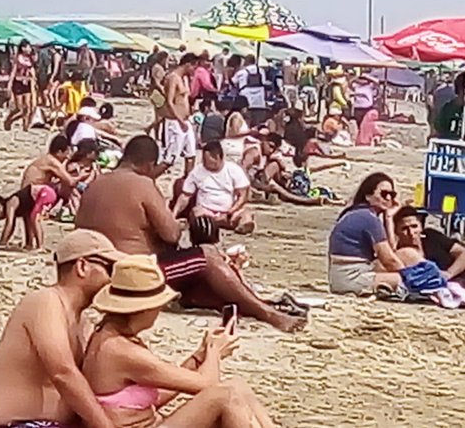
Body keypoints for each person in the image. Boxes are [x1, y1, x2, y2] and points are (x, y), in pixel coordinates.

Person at [76, 135, 305, 332]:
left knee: (197, 283)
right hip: (133, 271)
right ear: (148, 164)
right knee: (206, 256)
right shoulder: (142, 184)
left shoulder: (95, 185)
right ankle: (269, 314)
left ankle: (255, 305)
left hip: (100, 270)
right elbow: (171, 235)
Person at [80, 255, 276, 428]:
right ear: (146, 309)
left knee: (238, 386)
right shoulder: (122, 351)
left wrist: (199, 356)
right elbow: (208, 384)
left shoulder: (110, 335)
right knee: (227, 394)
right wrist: (214, 350)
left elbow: (162, 391)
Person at [0, 230, 123, 428]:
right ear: (82, 266)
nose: (112, 280)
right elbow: (62, 372)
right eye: (110, 269)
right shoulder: (45, 301)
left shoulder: (82, 320)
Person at [0, 135, 78, 249]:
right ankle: (31, 244)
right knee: (31, 217)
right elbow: (69, 181)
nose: (67, 157)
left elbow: (10, 224)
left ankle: (35, 245)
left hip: (34, 192)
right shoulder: (51, 161)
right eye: (66, 153)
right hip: (34, 192)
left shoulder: (48, 161)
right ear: (59, 152)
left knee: (32, 217)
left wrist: (2, 242)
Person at [326, 172, 405, 295]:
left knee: (405, 256)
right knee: (403, 281)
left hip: (344, 275)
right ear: (368, 196)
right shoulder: (368, 218)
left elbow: (392, 250)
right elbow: (389, 260)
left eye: (392, 194)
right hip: (351, 278)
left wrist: (389, 218)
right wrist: (411, 276)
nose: (388, 198)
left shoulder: (358, 213)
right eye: (384, 194)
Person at [174, 141, 255, 234]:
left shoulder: (233, 169)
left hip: (229, 212)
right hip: (206, 211)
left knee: (245, 214)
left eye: (206, 160)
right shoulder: (198, 171)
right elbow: (185, 196)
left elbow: (243, 195)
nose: (203, 162)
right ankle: (210, 223)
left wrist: (231, 210)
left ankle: (242, 225)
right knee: (196, 212)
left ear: (217, 158)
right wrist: (174, 214)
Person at [163, 54, 198, 173]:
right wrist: (179, 120)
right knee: (170, 157)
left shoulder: (184, 79)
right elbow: (169, 101)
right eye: (194, 67)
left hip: (185, 120)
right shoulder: (173, 78)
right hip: (175, 121)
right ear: (188, 64)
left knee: (191, 154)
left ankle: (188, 182)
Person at [5, 40, 38, 131]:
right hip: (18, 82)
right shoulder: (18, 58)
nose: (29, 49)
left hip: (27, 82)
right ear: (23, 48)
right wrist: (9, 83)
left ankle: (25, 126)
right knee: (19, 108)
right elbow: (13, 71)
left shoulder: (30, 58)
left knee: (28, 106)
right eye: (28, 47)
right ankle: (9, 120)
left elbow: (33, 68)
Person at [232, 55, 269, 127]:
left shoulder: (241, 72)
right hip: (260, 102)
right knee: (259, 124)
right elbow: (264, 82)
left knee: (246, 123)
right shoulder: (261, 71)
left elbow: (233, 81)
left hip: (246, 102)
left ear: (246, 61)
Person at [145, 51, 169, 138]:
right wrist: (163, 90)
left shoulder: (157, 67)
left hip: (155, 92)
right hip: (157, 93)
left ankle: (156, 134)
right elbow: (157, 82)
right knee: (160, 116)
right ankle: (150, 129)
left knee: (160, 115)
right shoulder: (158, 68)